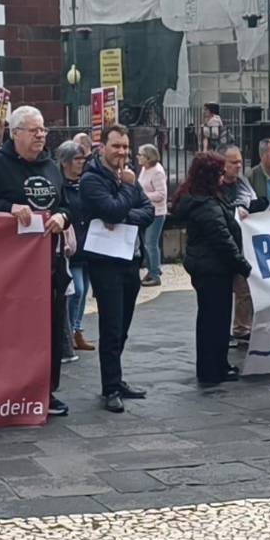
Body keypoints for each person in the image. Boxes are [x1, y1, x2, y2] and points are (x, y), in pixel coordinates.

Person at [0, 105, 73, 417]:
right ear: (16, 134)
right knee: (14, 332)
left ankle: (47, 391)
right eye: (34, 130)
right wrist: (8, 208)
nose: (41, 135)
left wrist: (63, 217)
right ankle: (10, 390)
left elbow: (68, 205)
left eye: (43, 130)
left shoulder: (51, 166)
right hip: (12, 270)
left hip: (49, 265)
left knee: (51, 330)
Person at [79, 123, 154, 413]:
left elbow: (148, 212)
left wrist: (124, 213)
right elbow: (109, 209)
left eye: (125, 146)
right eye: (116, 146)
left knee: (123, 325)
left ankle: (117, 378)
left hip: (130, 260)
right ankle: (110, 386)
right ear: (103, 147)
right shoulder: (92, 179)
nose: (122, 151)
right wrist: (126, 189)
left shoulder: (129, 177)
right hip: (105, 262)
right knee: (110, 326)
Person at [173, 151, 252, 386]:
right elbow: (222, 239)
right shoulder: (206, 204)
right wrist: (243, 265)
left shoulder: (200, 198)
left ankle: (216, 365)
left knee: (211, 320)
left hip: (207, 265)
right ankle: (212, 369)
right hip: (212, 268)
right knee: (214, 321)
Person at [55, 140, 96, 355]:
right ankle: (70, 331)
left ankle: (77, 329)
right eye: (77, 159)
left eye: (83, 159)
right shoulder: (60, 185)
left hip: (88, 243)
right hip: (71, 246)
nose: (81, 163)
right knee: (77, 289)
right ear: (64, 162)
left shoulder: (85, 183)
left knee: (84, 290)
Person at [220, 144, 255, 344]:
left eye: (240, 161)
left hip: (243, 244)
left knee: (244, 289)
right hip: (225, 245)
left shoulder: (243, 183)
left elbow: (252, 199)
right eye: (233, 162)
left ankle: (242, 327)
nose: (238, 166)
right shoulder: (216, 185)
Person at [136, 145, 168, 286]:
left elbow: (161, 195)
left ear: (148, 157)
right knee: (146, 243)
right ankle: (151, 269)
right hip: (146, 211)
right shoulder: (144, 169)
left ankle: (155, 274)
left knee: (151, 243)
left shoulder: (157, 172)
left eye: (141, 154)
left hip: (157, 212)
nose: (138, 157)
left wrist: (143, 196)